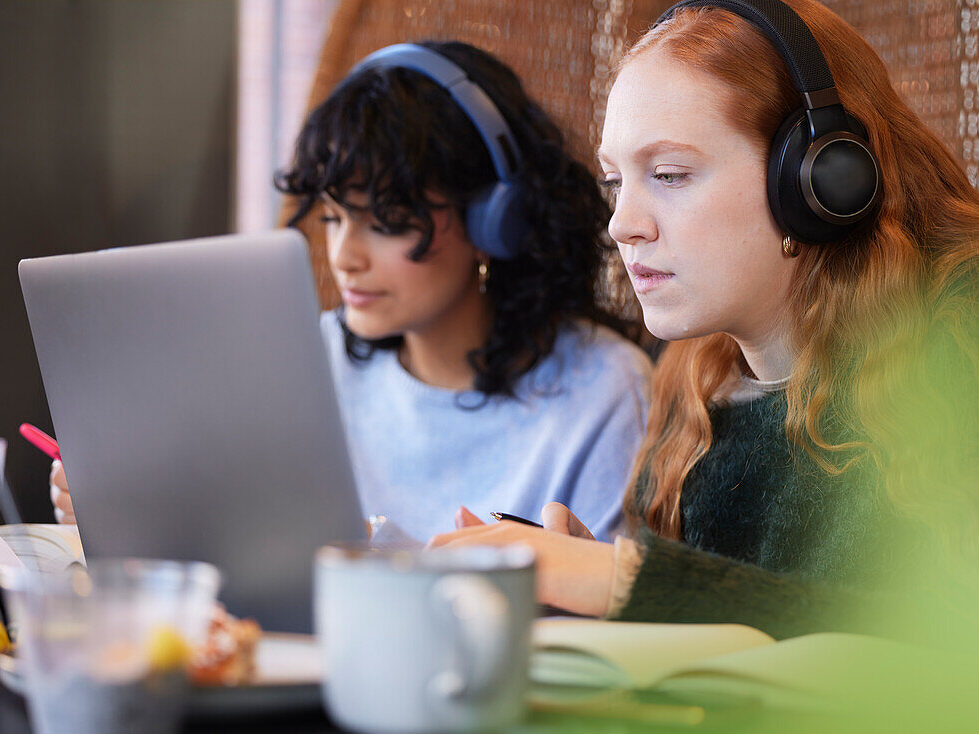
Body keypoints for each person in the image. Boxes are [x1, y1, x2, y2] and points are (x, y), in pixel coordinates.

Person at [431, 0, 978, 643]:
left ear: (819, 181)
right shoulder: (696, 378)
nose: (622, 224)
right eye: (616, 182)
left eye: (669, 175)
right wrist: (600, 602)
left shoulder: (957, 342)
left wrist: (633, 584)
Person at [51, 41, 653, 543]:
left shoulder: (603, 393)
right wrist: (127, 517)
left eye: (384, 222)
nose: (343, 257)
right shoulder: (315, 358)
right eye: (335, 218)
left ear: (495, 219)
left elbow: (613, 628)